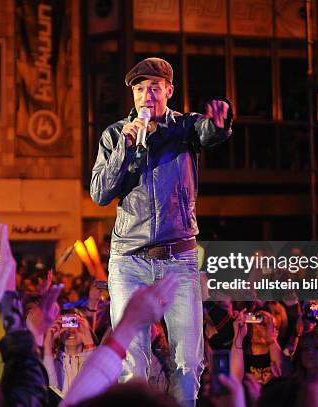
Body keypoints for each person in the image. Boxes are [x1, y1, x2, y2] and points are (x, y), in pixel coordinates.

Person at [90, 57, 232, 406]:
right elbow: (100, 194)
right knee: (130, 358)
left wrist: (219, 124)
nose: (145, 95)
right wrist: (125, 147)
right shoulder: (114, 134)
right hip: (129, 261)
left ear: (169, 90)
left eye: (154, 87)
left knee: (187, 360)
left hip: (178, 259)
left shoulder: (183, 128)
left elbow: (208, 133)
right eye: (139, 89)